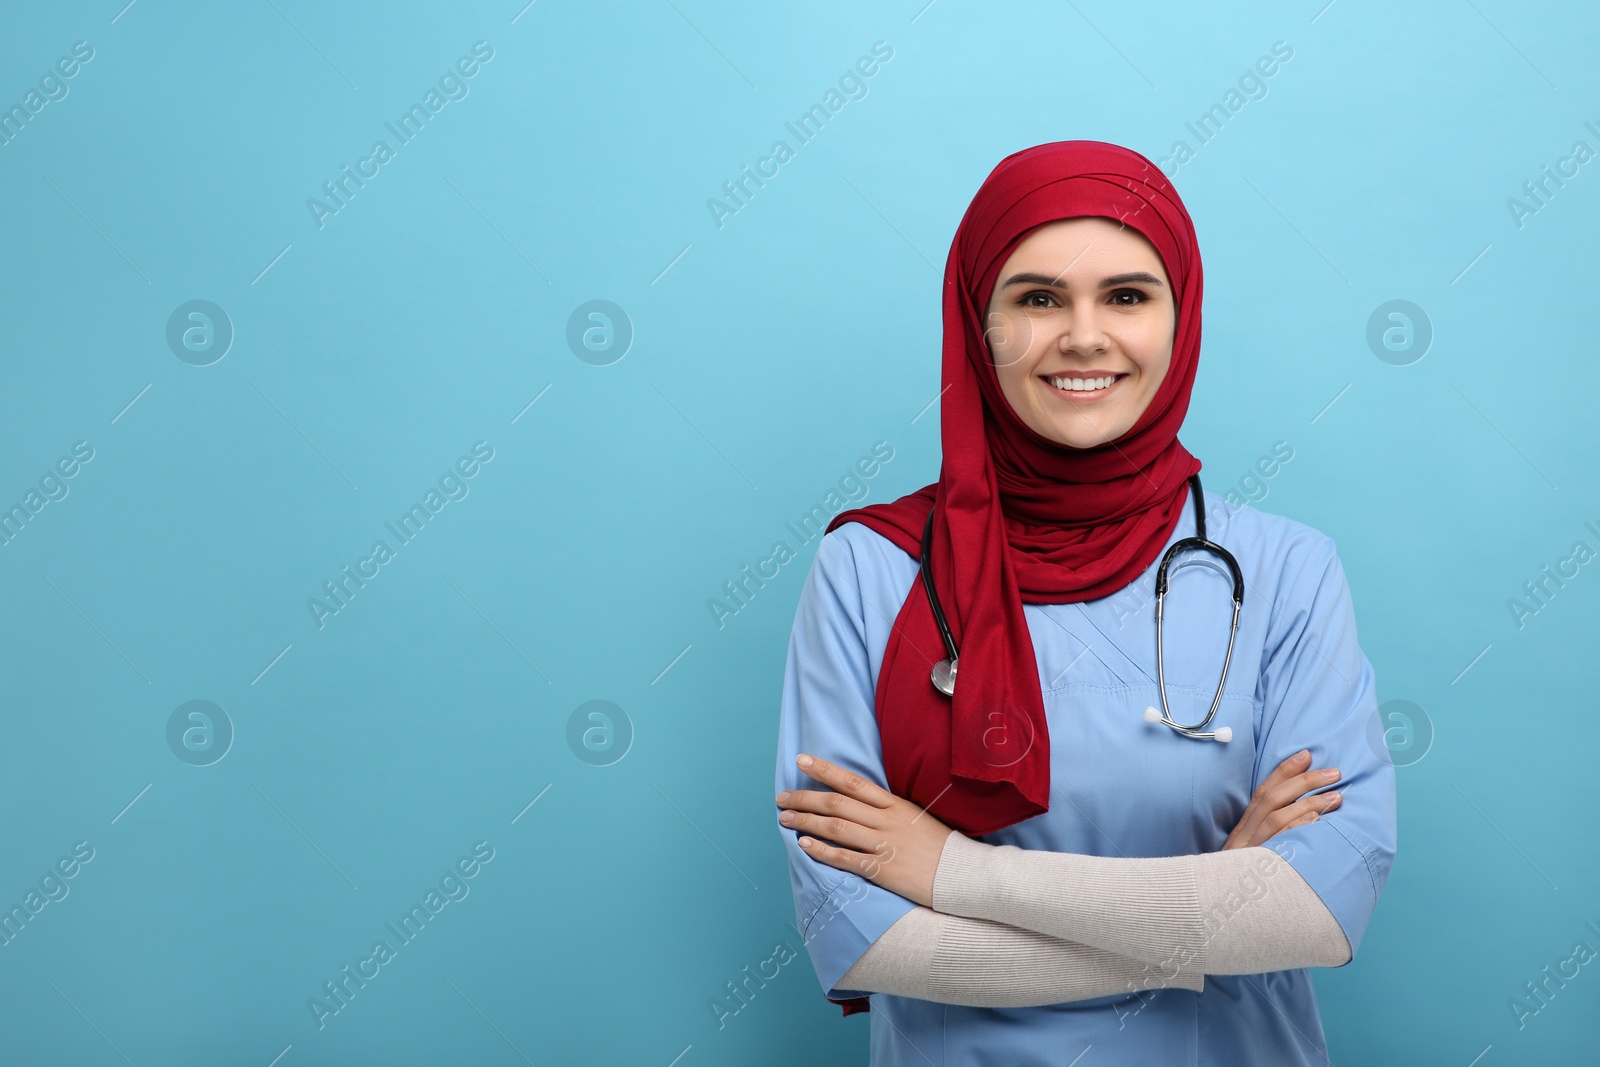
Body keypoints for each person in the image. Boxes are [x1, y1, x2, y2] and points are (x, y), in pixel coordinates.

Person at [772, 140, 1397, 1065]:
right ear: (976, 324)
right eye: (1036, 298)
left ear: (1180, 319)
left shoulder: (1286, 568)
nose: (1083, 336)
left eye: (1128, 295)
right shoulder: (870, 568)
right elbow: (871, 937)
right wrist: (1214, 908)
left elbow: (1316, 912)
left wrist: (951, 871)